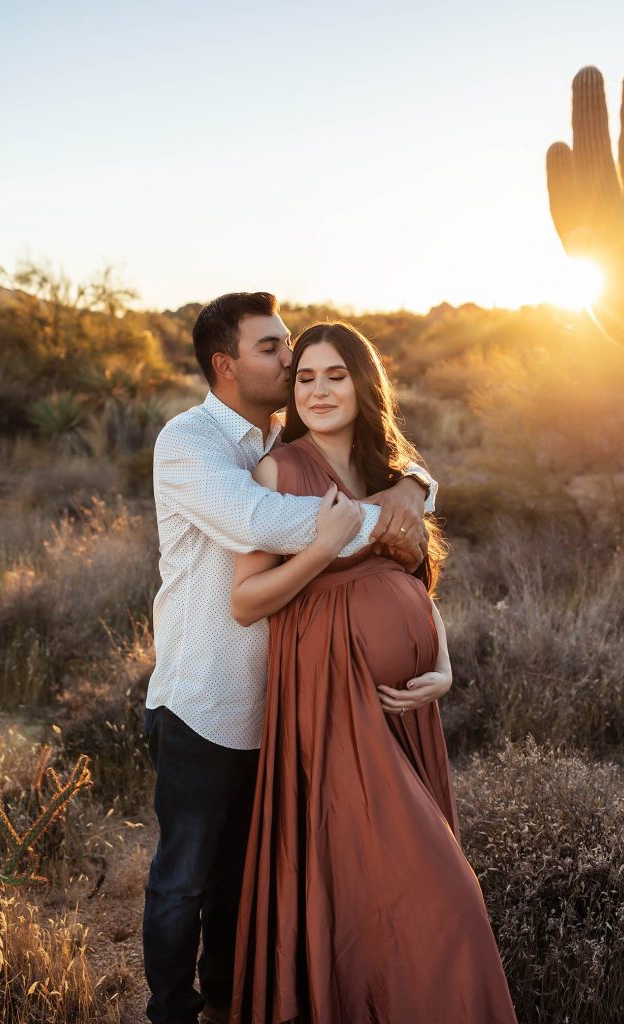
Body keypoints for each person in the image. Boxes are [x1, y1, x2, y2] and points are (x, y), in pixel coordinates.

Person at [143, 292, 438, 1024]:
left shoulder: (278, 437)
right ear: (226, 365)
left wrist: (415, 485)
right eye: (273, 349)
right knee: (184, 879)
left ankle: (228, 1005)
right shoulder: (190, 443)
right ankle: (169, 1013)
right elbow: (261, 519)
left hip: (286, 701)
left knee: (244, 880)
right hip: (204, 699)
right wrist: (395, 517)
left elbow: (377, 456)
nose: (290, 359)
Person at [229, 321, 518, 1023]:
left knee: (376, 884)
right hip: (330, 700)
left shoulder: (393, 476)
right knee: (439, 893)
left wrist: (441, 663)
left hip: (402, 705)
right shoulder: (278, 470)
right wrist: (322, 547)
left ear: (364, 383)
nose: (319, 391)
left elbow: (415, 583)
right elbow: (245, 601)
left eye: (334, 375)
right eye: (305, 378)